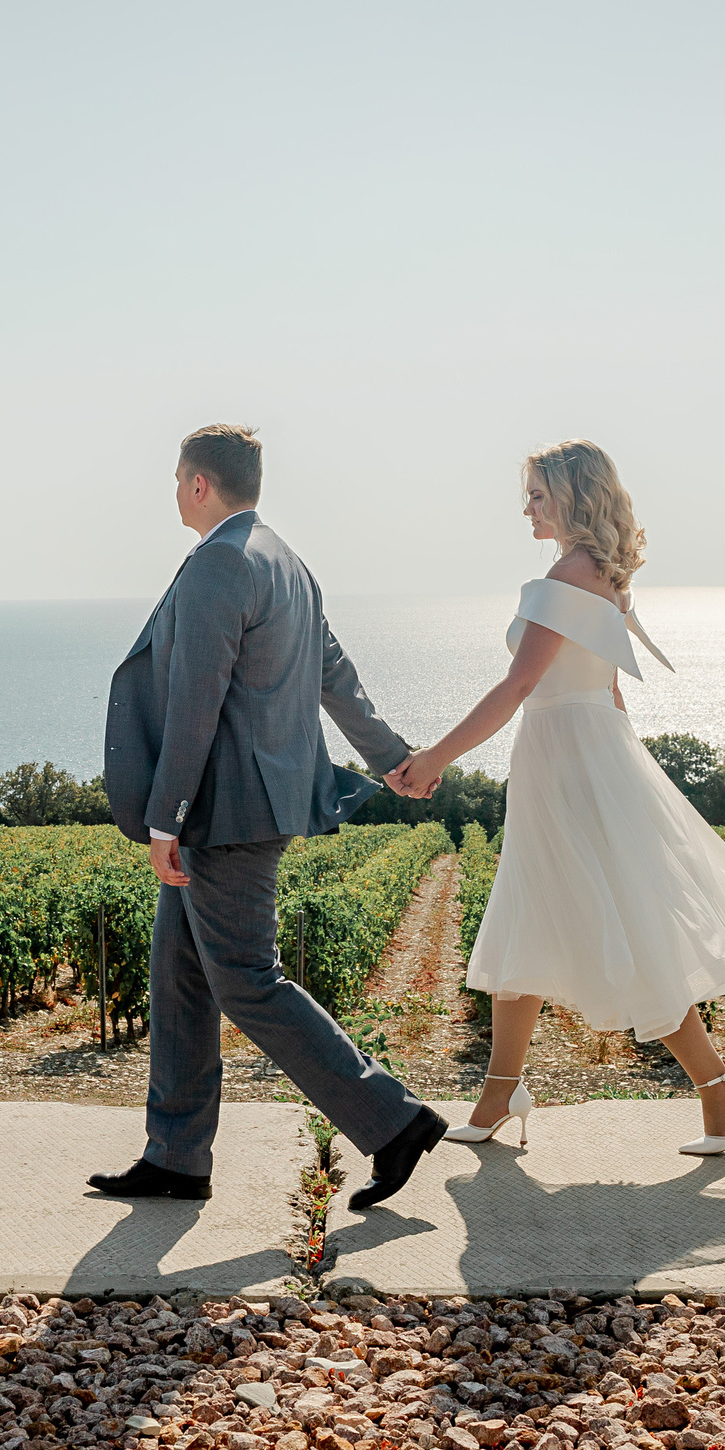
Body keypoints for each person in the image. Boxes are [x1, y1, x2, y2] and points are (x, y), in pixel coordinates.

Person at [385, 439, 725, 1156]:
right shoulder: (603, 577)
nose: (527, 507)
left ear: (574, 497)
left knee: (622, 934)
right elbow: (607, 692)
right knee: (527, 915)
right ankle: (504, 1090)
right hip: (577, 760)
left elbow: (520, 686)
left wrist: (435, 758)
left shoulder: (568, 575)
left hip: (566, 763)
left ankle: (716, 1086)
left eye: (538, 495)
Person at [95, 424, 450, 1209]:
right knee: (181, 976)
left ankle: (393, 1121)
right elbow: (335, 673)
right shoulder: (286, 560)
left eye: (175, 479)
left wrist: (166, 818)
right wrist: (390, 756)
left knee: (249, 981)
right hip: (257, 802)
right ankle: (176, 1156)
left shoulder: (221, 560)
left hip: (223, 813)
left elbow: (196, 701)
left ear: (197, 484)